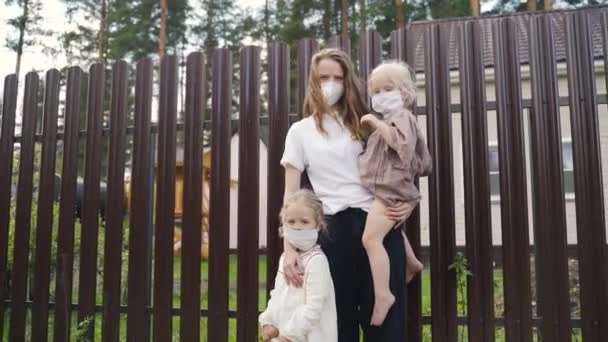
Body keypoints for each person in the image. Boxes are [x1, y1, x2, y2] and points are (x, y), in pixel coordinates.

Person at [280, 48, 410, 341]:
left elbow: (402, 166)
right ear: (313, 81)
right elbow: (290, 196)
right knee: (337, 326)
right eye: (324, 77)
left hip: (377, 225)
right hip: (331, 233)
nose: (331, 83)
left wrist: (409, 205)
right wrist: (289, 249)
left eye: (338, 77)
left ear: (348, 81)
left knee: (386, 324)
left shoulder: (367, 123)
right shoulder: (299, 132)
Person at [358, 61, 432, 326]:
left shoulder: (402, 118)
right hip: (387, 189)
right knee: (392, 228)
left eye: (387, 89)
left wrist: (375, 124)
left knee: (371, 239)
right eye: (375, 91)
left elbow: (401, 145)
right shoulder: (392, 119)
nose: (380, 96)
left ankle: (383, 294)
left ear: (403, 91)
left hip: (392, 190)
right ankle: (412, 263)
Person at [259, 189, 337, 342]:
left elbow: (314, 308)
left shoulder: (317, 261)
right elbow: (278, 293)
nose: (298, 227)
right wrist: (268, 320)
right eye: (291, 222)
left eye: (304, 221)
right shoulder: (285, 259)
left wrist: (288, 336)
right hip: (285, 334)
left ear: (318, 225)